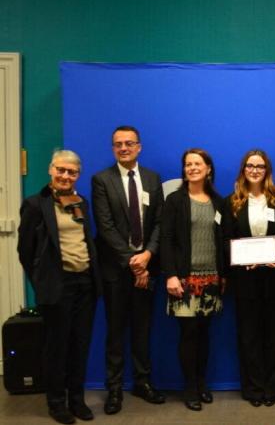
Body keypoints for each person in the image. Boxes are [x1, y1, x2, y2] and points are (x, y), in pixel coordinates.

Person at [18, 150, 102, 424]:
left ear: (78, 175)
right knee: (57, 347)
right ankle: (56, 402)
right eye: (61, 170)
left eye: (72, 172)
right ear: (51, 170)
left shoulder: (82, 202)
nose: (66, 176)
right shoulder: (34, 205)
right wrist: (42, 282)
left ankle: (76, 400)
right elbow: (25, 252)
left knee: (80, 344)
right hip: (57, 287)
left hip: (85, 284)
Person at [92, 125, 165, 414]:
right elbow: (105, 227)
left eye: (129, 143)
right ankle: (114, 389)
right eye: (118, 144)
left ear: (139, 147)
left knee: (143, 329)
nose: (123, 148)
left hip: (147, 266)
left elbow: (159, 222)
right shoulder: (102, 180)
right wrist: (133, 262)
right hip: (117, 270)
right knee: (115, 331)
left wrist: (147, 255)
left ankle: (143, 383)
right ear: (113, 149)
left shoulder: (151, 178)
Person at [226, 149, 275, 407]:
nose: (255, 170)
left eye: (260, 166)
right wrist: (241, 258)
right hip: (245, 279)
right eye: (250, 166)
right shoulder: (232, 201)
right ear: (243, 170)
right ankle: (253, 389)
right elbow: (226, 240)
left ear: (267, 170)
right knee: (249, 337)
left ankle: (274, 388)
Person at [161, 149, 227, 411]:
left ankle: (202, 384)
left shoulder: (218, 201)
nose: (192, 168)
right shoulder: (175, 200)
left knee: (204, 334)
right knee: (188, 335)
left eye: (197, 163)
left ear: (208, 168)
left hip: (211, 277)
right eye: (188, 164)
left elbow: (222, 241)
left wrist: (224, 275)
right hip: (184, 279)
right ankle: (189, 387)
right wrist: (171, 275)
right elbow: (166, 240)